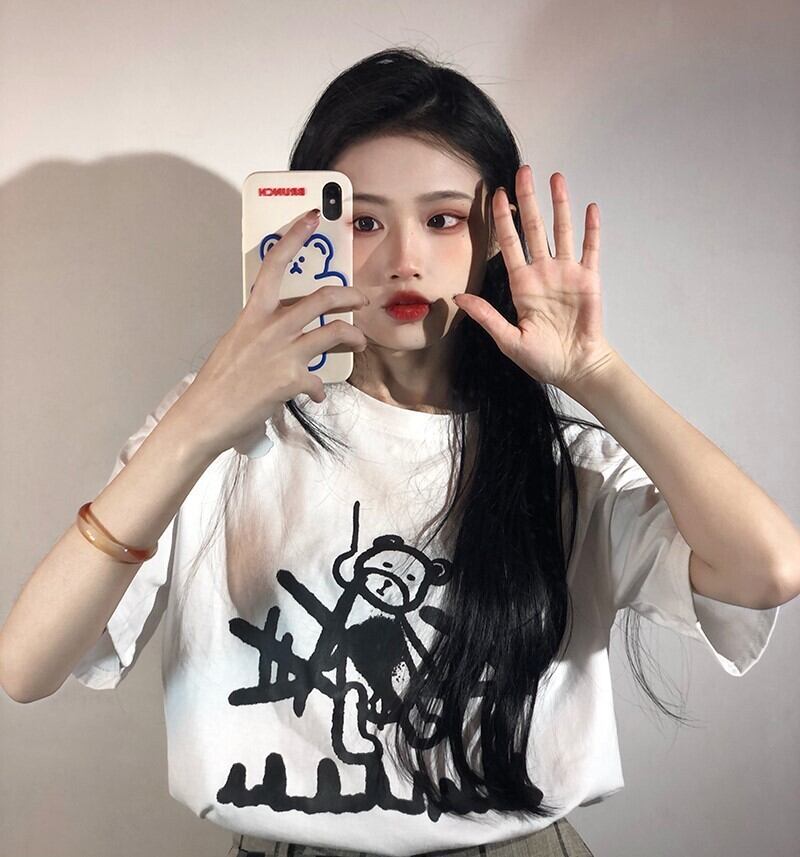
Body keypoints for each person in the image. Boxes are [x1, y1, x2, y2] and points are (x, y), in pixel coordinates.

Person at [0, 47, 792, 857]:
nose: (403, 258)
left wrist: (598, 375)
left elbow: (770, 569)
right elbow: (27, 667)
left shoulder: (564, 463)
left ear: (495, 235)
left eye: (442, 219)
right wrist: (198, 415)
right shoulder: (220, 434)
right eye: (363, 220)